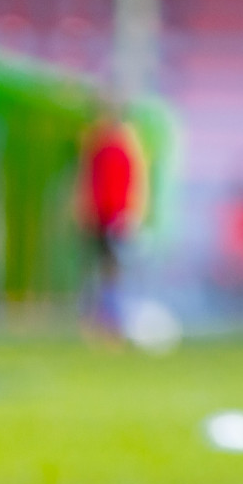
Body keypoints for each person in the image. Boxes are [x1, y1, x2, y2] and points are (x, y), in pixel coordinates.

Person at [75, 107, 149, 340]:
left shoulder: (124, 149)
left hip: (115, 218)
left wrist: (129, 216)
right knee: (100, 270)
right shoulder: (98, 148)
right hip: (100, 216)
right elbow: (91, 182)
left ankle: (112, 320)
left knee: (112, 271)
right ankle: (99, 319)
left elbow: (133, 186)